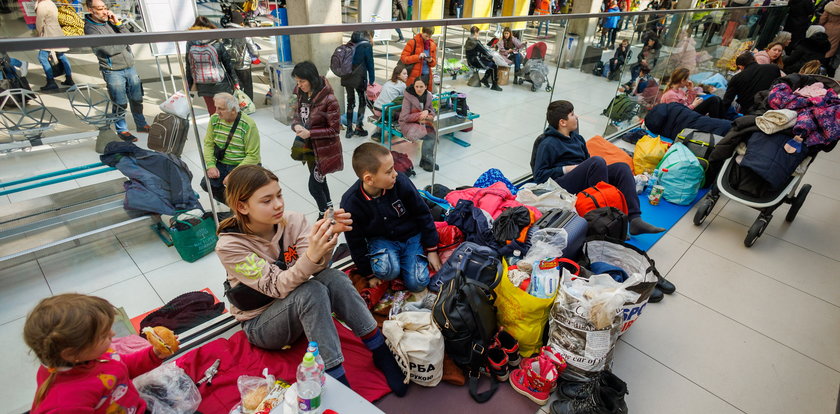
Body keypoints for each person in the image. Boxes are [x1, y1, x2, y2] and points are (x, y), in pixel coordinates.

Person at [214, 165, 407, 396]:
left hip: (295, 309)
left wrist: (327, 240)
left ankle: (379, 349)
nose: (278, 204)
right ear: (242, 206)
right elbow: (277, 286)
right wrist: (312, 254)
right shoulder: (230, 246)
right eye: (266, 200)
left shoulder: (293, 221)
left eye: (279, 195)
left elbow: (320, 268)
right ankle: (337, 378)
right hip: (262, 323)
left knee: (334, 277)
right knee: (311, 292)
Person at [531, 100, 665, 236]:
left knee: (622, 168)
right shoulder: (547, 143)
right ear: (562, 122)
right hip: (560, 184)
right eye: (572, 114)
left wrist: (582, 168)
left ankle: (635, 219)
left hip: (581, 178)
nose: (576, 116)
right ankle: (606, 220)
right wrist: (568, 168)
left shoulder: (578, 139)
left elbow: (586, 163)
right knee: (597, 162)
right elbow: (540, 176)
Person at [23, 294, 171, 413]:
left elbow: (120, 366)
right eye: (103, 336)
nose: (112, 334)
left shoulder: (90, 356)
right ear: (71, 353)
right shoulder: (66, 403)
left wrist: (153, 355)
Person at [340, 143, 442, 292]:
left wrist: (432, 249)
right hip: (382, 241)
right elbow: (355, 242)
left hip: (412, 238)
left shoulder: (400, 182)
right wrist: (369, 274)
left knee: (418, 283)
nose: (395, 173)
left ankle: (407, 261)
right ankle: (399, 263)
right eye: (389, 171)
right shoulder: (351, 203)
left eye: (394, 167)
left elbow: (422, 213)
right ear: (369, 179)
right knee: (386, 271)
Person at [84, 0, 150, 142]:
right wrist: (125, 40)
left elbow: (129, 38)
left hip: (130, 66)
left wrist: (118, 24)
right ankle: (122, 130)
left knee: (137, 98)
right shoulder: (90, 29)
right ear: (91, 10)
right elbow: (108, 50)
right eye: (100, 8)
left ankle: (141, 124)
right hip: (113, 71)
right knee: (119, 102)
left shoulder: (111, 21)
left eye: (105, 7)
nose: (104, 11)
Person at [291, 61, 342, 217]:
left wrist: (311, 133)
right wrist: (296, 126)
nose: (299, 85)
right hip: (308, 147)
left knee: (314, 186)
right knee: (321, 182)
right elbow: (296, 115)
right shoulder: (301, 93)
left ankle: (323, 215)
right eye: (297, 82)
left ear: (311, 79)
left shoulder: (329, 99)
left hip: (323, 150)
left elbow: (334, 129)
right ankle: (330, 214)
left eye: (302, 81)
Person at [201, 92, 261, 205]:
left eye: (221, 109)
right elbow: (208, 144)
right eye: (216, 107)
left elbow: (253, 156)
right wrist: (211, 166)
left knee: (240, 189)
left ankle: (242, 206)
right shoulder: (214, 120)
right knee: (206, 184)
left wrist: (234, 174)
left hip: (243, 165)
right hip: (223, 163)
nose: (216, 112)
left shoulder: (248, 124)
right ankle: (236, 205)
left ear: (233, 110)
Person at [185, 17, 240, 116]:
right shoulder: (216, 42)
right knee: (226, 110)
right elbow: (227, 63)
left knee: (213, 111)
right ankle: (228, 129)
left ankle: (216, 128)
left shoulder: (190, 43)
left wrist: (189, 85)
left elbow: (188, 64)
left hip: (202, 83)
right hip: (220, 82)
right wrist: (235, 82)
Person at [400, 77, 438, 172]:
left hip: (421, 122)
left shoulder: (428, 96)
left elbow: (432, 110)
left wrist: (429, 114)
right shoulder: (408, 97)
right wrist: (421, 115)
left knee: (432, 134)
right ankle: (427, 160)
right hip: (408, 124)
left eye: (421, 86)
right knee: (429, 136)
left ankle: (426, 160)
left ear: (425, 87)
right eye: (417, 86)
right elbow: (404, 117)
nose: (419, 89)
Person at [343, 31, 375, 139]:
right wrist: (372, 79)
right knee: (362, 101)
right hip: (359, 78)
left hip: (347, 77)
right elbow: (370, 63)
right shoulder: (366, 46)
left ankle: (348, 130)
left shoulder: (348, 44)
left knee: (350, 102)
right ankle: (358, 127)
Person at [35, 0, 73, 91]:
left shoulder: (42, 5)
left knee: (42, 57)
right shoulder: (51, 3)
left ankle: (51, 81)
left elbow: (39, 22)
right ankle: (69, 78)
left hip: (48, 32)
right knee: (61, 55)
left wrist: (39, 33)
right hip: (56, 30)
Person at [223, 12, 260, 100]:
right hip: (244, 64)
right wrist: (256, 55)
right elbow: (254, 50)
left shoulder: (224, 33)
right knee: (247, 87)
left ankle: (238, 104)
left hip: (230, 65)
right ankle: (249, 105)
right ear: (240, 22)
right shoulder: (244, 32)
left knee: (235, 86)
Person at [660, 67, 725, 118]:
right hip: (681, 118)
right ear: (682, 81)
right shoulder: (671, 95)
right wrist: (694, 105)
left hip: (686, 112)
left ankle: (718, 121)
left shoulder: (679, 91)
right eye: (687, 79)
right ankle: (716, 122)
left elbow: (688, 103)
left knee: (717, 99)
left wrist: (691, 90)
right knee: (714, 100)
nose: (688, 81)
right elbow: (678, 113)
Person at [372, 64, 408, 140]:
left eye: (407, 74)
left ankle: (378, 133)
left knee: (388, 108)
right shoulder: (402, 85)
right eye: (404, 74)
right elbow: (402, 99)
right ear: (398, 75)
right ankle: (392, 131)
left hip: (376, 109)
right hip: (385, 111)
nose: (406, 76)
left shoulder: (388, 82)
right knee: (400, 109)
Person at [465, 26, 503, 91]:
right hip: (476, 61)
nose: (479, 34)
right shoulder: (476, 42)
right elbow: (485, 51)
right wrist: (492, 57)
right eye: (478, 33)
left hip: (470, 61)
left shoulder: (468, 40)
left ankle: (485, 79)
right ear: (476, 33)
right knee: (494, 66)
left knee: (490, 63)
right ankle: (494, 85)